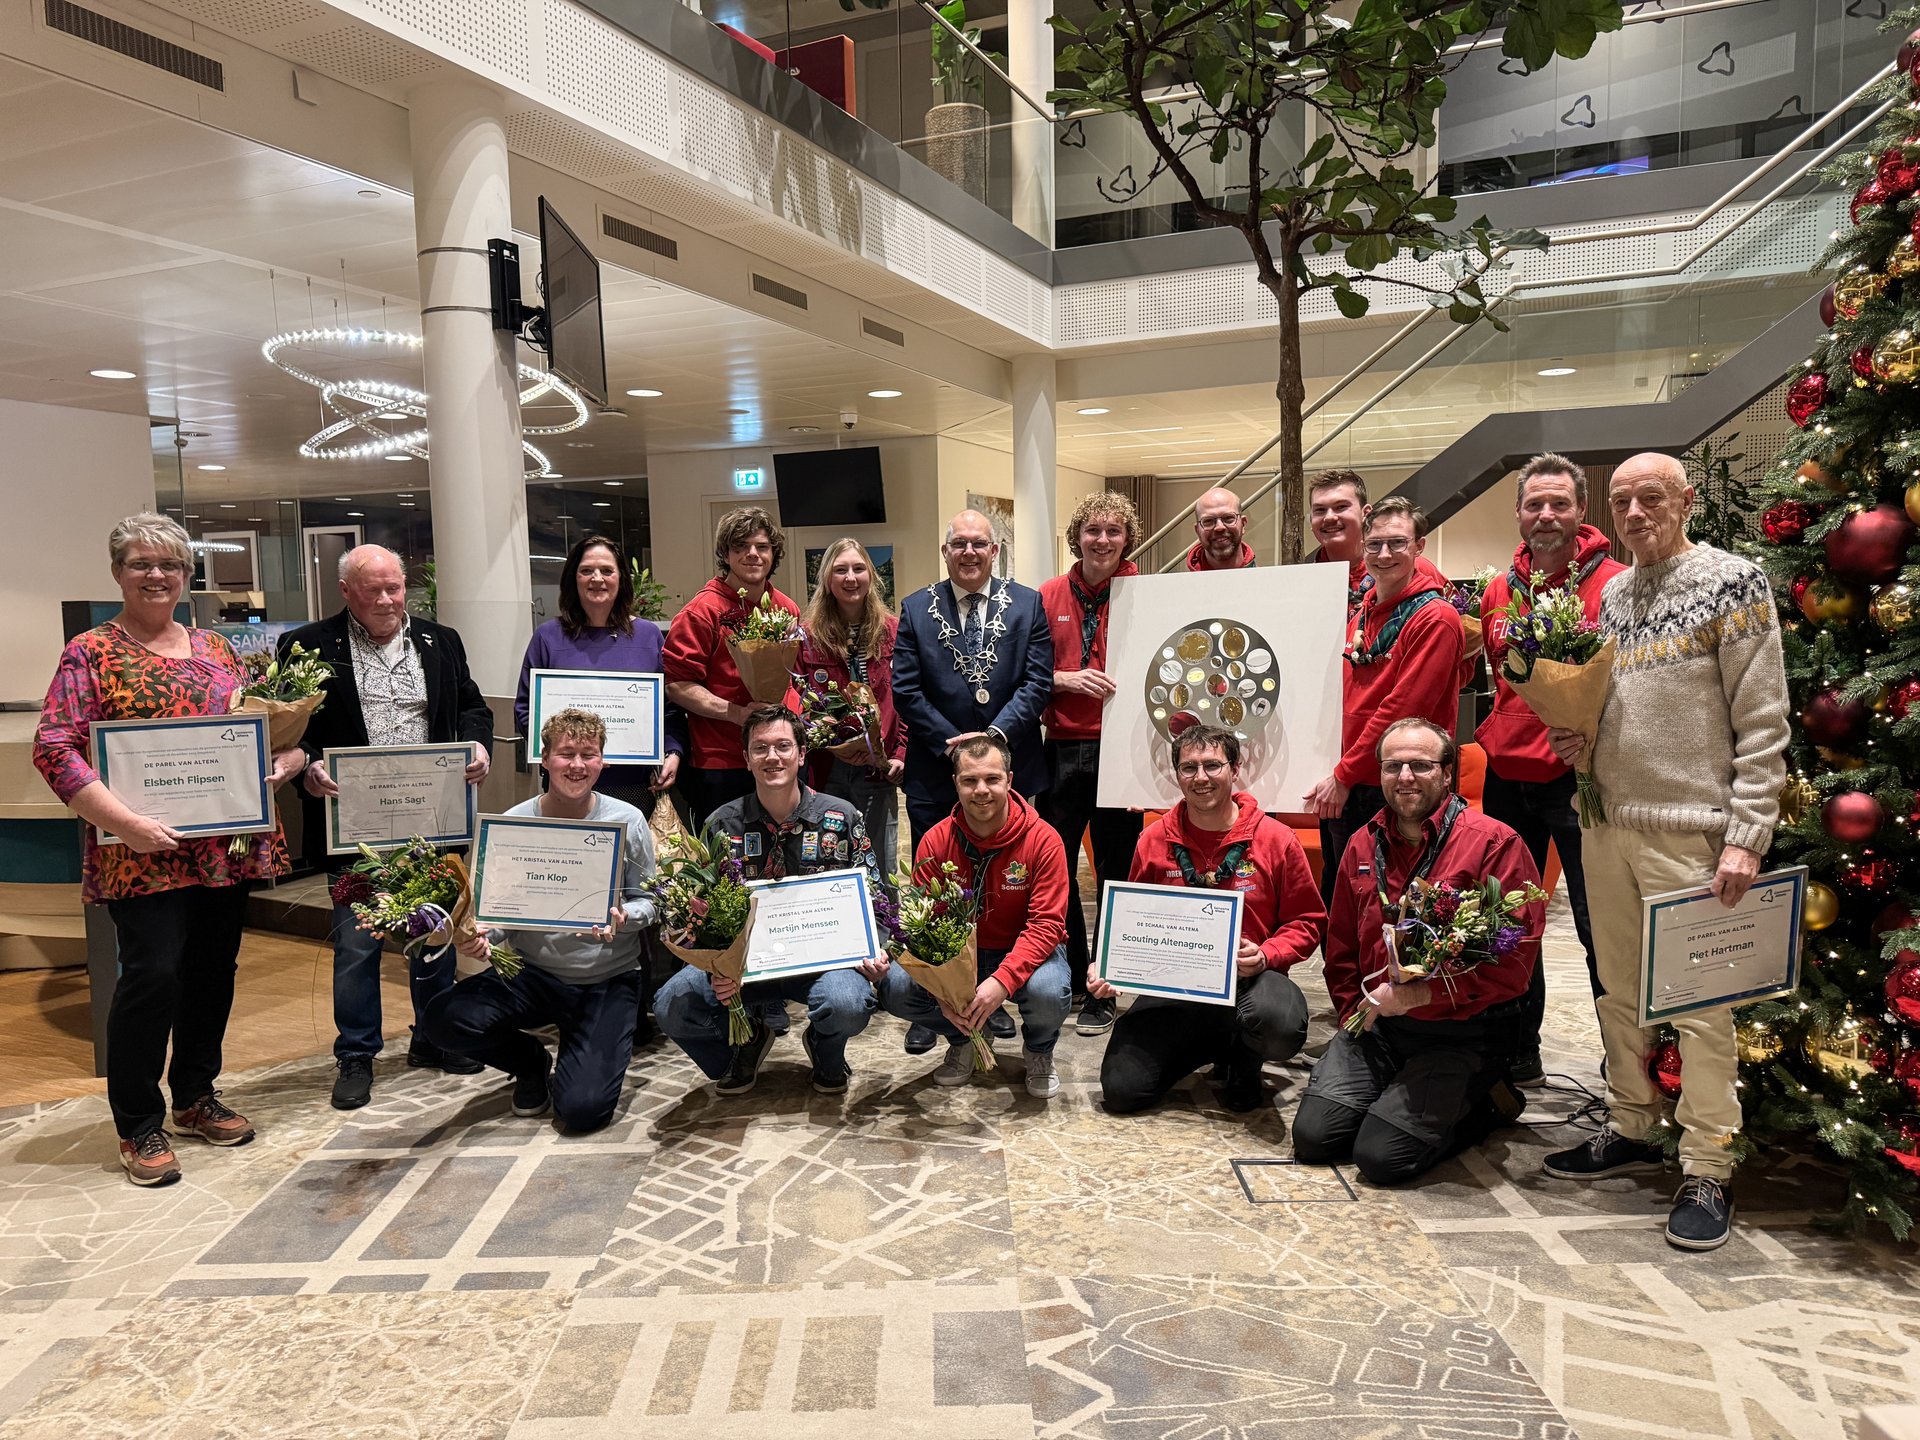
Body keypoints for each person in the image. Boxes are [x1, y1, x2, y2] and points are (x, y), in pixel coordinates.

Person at [1541, 452, 1790, 1252]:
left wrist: (1747, 836)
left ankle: (1709, 1164)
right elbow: (1612, 707)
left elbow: (1764, 722)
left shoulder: (1733, 582)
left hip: (1692, 829)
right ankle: (1632, 1121)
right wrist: (1575, 738)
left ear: (1684, 501)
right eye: (1621, 501)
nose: (1636, 512)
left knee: (1699, 1006)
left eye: (1651, 497)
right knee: (1617, 988)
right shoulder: (1611, 592)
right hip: (1607, 823)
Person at [33, 513, 303, 1186]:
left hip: (222, 846)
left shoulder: (216, 647)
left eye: (170, 565)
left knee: (213, 970)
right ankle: (138, 1123)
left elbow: (253, 729)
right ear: (118, 572)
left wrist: (285, 760)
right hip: (139, 850)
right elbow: (54, 747)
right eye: (141, 564)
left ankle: (194, 1096)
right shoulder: (89, 652)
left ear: (188, 574)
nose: (157, 575)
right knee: (152, 976)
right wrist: (123, 822)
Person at [281, 545, 495, 1112]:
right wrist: (309, 761)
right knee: (356, 943)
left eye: (394, 588)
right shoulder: (306, 646)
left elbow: (472, 707)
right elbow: (289, 732)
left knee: (436, 932)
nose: (385, 600)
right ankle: (356, 1052)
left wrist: (477, 742)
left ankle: (436, 1034)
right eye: (372, 590)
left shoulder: (440, 640)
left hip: (433, 816)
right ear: (345, 591)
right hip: (354, 822)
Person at [1293, 718, 1543, 1186]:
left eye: (1420, 765)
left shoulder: (1494, 843)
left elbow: (1513, 968)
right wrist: (1354, 1013)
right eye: (1393, 766)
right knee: (1314, 1139)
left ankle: (1490, 1096)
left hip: (1461, 1031)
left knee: (1381, 1158)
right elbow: (1342, 946)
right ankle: (1398, 1088)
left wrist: (1419, 998)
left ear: (1447, 773)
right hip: (1382, 1027)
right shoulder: (1361, 843)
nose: (1405, 777)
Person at [422, 709, 656, 1133]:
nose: (578, 766)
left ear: (603, 761)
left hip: (607, 979)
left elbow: (651, 900)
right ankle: (531, 1063)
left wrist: (625, 917)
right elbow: (504, 913)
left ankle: (579, 1060)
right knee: (443, 1019)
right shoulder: (514, 824)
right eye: (567, 754)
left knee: (582, 1112)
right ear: (544, 759)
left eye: (589, 754)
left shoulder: (627, 819)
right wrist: (485, 935)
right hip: (533, 974)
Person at [1477, 454, 1626, 1087]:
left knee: (1598, 921)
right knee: (1509, 916)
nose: (1546, 516)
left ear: (1581, 511)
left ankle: (1624, 1059)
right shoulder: (1498, 591)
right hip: (1506, 777)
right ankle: (1518, 1046)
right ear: (1517, 513)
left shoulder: (1615, 582)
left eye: (1559, 504)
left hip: (1580, 778)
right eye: (1534, 504)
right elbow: (1500, 677)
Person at [1090, 725, 1324, 1114]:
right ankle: (1206, 1045)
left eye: (1212, 766)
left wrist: (1267, 954)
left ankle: (1243, 1058)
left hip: (1251, 983)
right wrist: (1110, 964)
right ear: (1176, 776)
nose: (1200, 778)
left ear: (1235, 769)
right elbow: (1134, 919)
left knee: (1278, 1023)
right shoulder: (1153, 840)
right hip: (1174, 989)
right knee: (1123, 1091)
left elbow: (1308, 921)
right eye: (1188, 768)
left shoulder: (1277, 839)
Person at [652, 706, 885, 1095]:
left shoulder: (841, 816)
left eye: (782, 746)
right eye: (760, 748)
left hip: (822, 963)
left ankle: (825, 1049)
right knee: (672, 1004)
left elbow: (874, 896)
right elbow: (702, 911)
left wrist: (875, 949)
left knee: (846, 1002)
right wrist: (714, 964)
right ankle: (745, 1043)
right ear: (745, 758)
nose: (772, 757)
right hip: (745, 966)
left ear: (802, 753)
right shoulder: (721, 824)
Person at [893, 509, 1053, 1052]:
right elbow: (906, 691)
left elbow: (1038, 682)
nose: (968, 552)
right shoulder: (915, 608)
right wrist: (955, 744)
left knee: (1000, 888)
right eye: (958, 543)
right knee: (935, 891)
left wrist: (992, 741)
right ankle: (935, 997)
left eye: (978, 544)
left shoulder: (1028, 603)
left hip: (1005, 767)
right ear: (946, 551)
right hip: (935, 774)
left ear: (994, 551)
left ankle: (993, 997)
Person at [878, 735, 1073, 1098]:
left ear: (1010, 780)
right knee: (896, 988)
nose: (981, 790)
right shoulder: (936, 842)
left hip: (1022, 951)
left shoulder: (1044, 840)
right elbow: (925, 928)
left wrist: (1001, 982)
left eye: (992, 779)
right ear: (956, 784)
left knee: (1049, 991)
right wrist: (943, 994)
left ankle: (1040, 1050)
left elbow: (1047, 925)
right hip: (958, 957)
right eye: (969, 781)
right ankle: (963, 1037)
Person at [1306, 496, 1464, 905]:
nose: (1384, 554)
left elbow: (1403, 710)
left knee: (1396, 903)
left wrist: (1343, 774)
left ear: (1419, 547)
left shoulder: (1435, 618)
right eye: (1374, 544)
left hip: (1399, 781)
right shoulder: (1363, 614)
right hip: (1351, 779)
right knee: (1348, 900)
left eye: (1397, 543)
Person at [1037, 492, 1144, 1036]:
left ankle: (1109, 983)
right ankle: (1075, 974)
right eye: (1092, 530)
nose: (1102, 540)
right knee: (1057, 866)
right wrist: (1065, 678)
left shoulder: (1145, 594)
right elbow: (1025, 673)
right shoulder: (1047, 595)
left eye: (1113, 531)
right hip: (1059, 748)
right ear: (1076, 536)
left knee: (1116, 872)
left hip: (1124, 750)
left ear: (1127, 538)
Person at [515, 533, 683, 811]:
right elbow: (525, 711)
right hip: (567, 785)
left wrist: (673, 752)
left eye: (607, 570)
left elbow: (669, 710)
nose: (597, 578)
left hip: (634, 785)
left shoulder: (647, 636)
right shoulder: (548, 637)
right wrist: (571, 753)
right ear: (573, 578)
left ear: (621, 578)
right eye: (586, 571)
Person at [662, 506, 801, 827]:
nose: (752, 555)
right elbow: (677, 685)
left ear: (773, 554)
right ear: (725, 554)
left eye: (762, 547)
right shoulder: (701, 611)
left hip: (777, 759)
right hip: (722, 761)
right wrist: (737, 714)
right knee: (726, 858)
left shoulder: (786, 608)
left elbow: (793, 678)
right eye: (741, 547)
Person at [799, 537, 905, 868]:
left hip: (878, 770)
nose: (850, 578)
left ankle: (883, 922)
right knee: (828, 863)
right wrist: (831, 741)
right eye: (840, 570)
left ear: (871, 576)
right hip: (826, 769)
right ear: (827, 579)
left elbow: (905, 699)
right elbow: (798, 701)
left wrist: (900, 752)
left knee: (881, 868)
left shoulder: (894, 631)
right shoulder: (808, 636)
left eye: (859, 569)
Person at [1307, 469, 1370, 616]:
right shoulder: (1304, 584)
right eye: (1320, 510)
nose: (1329, 517)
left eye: (1341, 507)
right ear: (1311, 521)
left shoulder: (1408, 570)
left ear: (1366, 513)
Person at [1184, 487, 1255, 571]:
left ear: (1243, 524)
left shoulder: (1266, 581)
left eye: (1228, 518)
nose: (1219, 527)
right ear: (1198, 531)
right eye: (1208, 521)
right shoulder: (1179, 583)